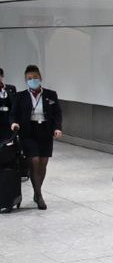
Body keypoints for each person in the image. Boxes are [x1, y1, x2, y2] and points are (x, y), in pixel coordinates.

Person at [8, 64, 61, 210]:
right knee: (34, 160)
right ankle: (39, 195)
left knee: (43, 162)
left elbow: (57, 113)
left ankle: (37, 192)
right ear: (26, 81)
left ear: (40, 78)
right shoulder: (20, 96)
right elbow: (13, 114)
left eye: (35, 77)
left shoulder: (51, 95)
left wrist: (57, 128)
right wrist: (13, 123)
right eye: (29, 78)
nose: (33, 80)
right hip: (28, 132)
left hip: (45, 130)